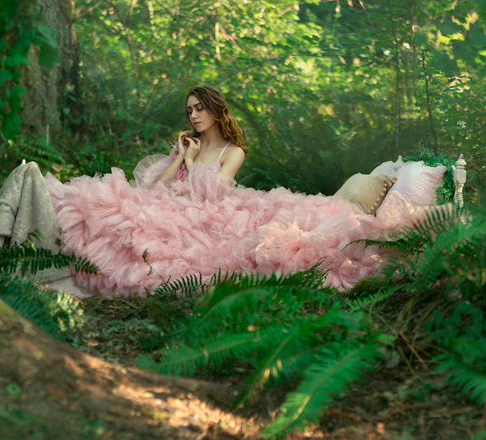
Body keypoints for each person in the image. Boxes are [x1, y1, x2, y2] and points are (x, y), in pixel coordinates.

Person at [44, 85, 447, 297]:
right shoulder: (189, 145)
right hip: (173, 207)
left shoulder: (232, 151)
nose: (193, 116)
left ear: (216, 111)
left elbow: (214, 195)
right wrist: (182, 156)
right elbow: (154, 188)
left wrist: (196, 162)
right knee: (122, 208)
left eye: (199, 109)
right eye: (189, 111)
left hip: (213, 212)